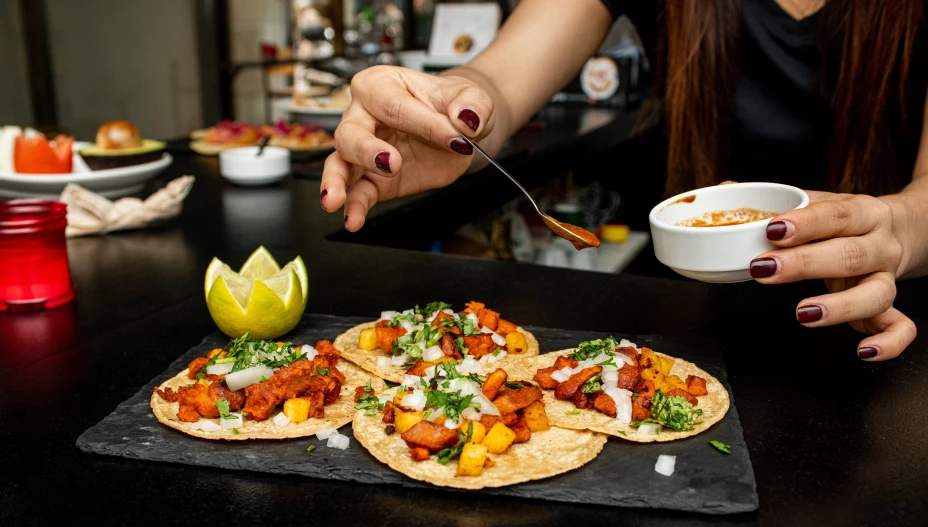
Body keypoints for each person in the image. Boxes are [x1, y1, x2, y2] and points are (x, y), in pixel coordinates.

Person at [320, 0, 928, 361]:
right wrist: (443, 110)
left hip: (888, 331)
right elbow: (500, 78)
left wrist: (895, 227)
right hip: (690, 333)